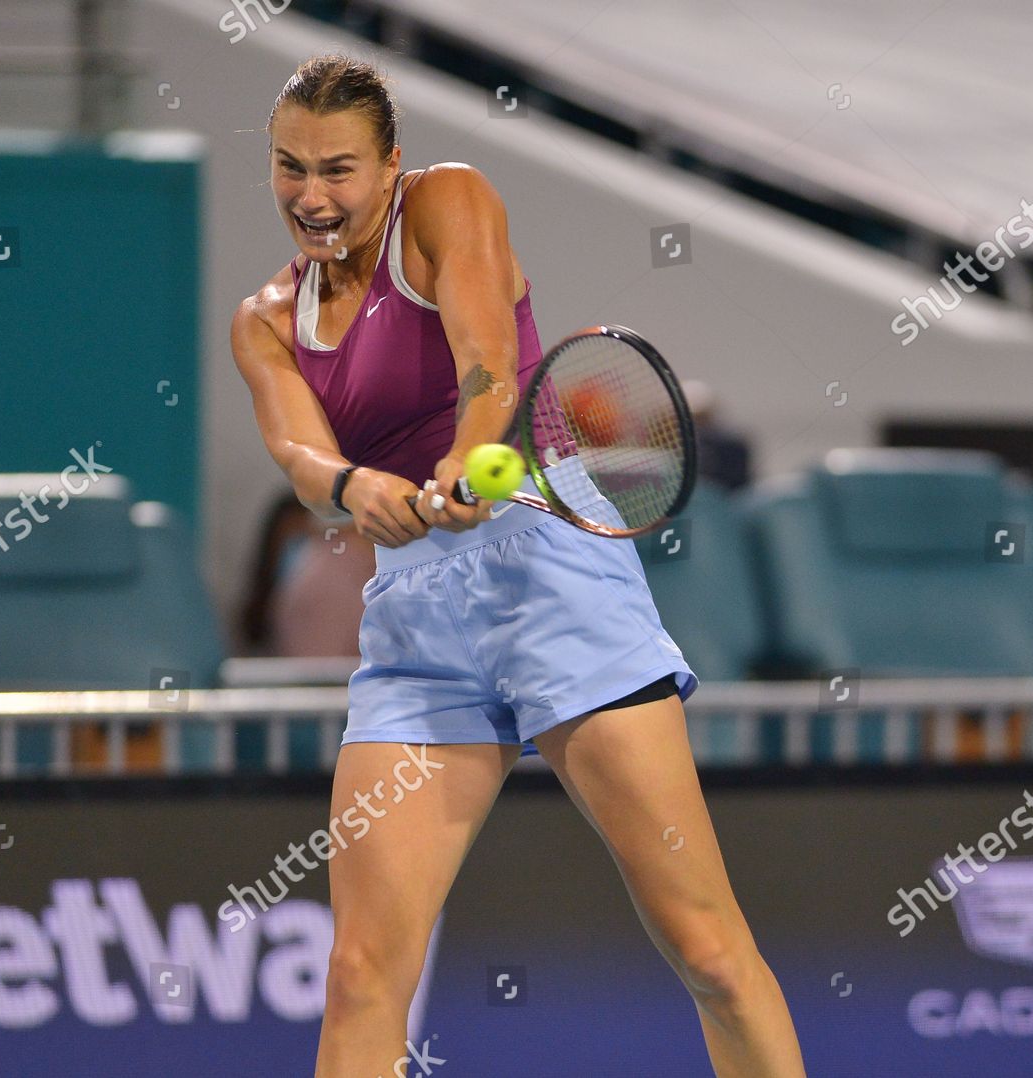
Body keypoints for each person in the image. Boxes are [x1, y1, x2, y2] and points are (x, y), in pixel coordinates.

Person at [230, 55, 806, 1077]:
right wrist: (355, 488)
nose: (311, 196)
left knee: (708, 947)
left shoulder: (449, 201)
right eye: (289, 168)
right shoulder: (266, 319)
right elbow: (299, 456)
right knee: (362, 974)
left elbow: (487, 357)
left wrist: (465, 455)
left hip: (552, 575)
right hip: (413, 620)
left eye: (338, 169)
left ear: (391, 163)